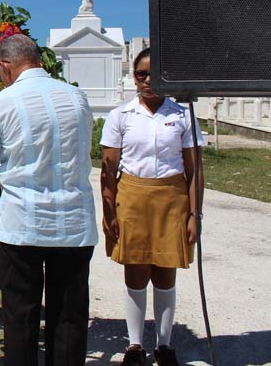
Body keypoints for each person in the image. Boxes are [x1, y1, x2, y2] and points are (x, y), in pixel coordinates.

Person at [0, 33, 98, 366]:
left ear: (5, 66)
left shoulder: (2, 103)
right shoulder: (76, 98)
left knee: (20, 319)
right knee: (69, 319)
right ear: (38, 60)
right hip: (73, 222)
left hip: (22, 223)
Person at [100, 48, 204, 366]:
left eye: (152, 73)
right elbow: (108, 169)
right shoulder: (121, 116)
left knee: (165, 272)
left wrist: (194, 215)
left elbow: (194, 169)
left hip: (171, 199)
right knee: (136, 270)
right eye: (140, 74)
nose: (146, 80)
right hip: (132, 197)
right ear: (134, 77)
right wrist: (109, 214)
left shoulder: (181, 115)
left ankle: (164, 344)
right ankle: (134, 346)